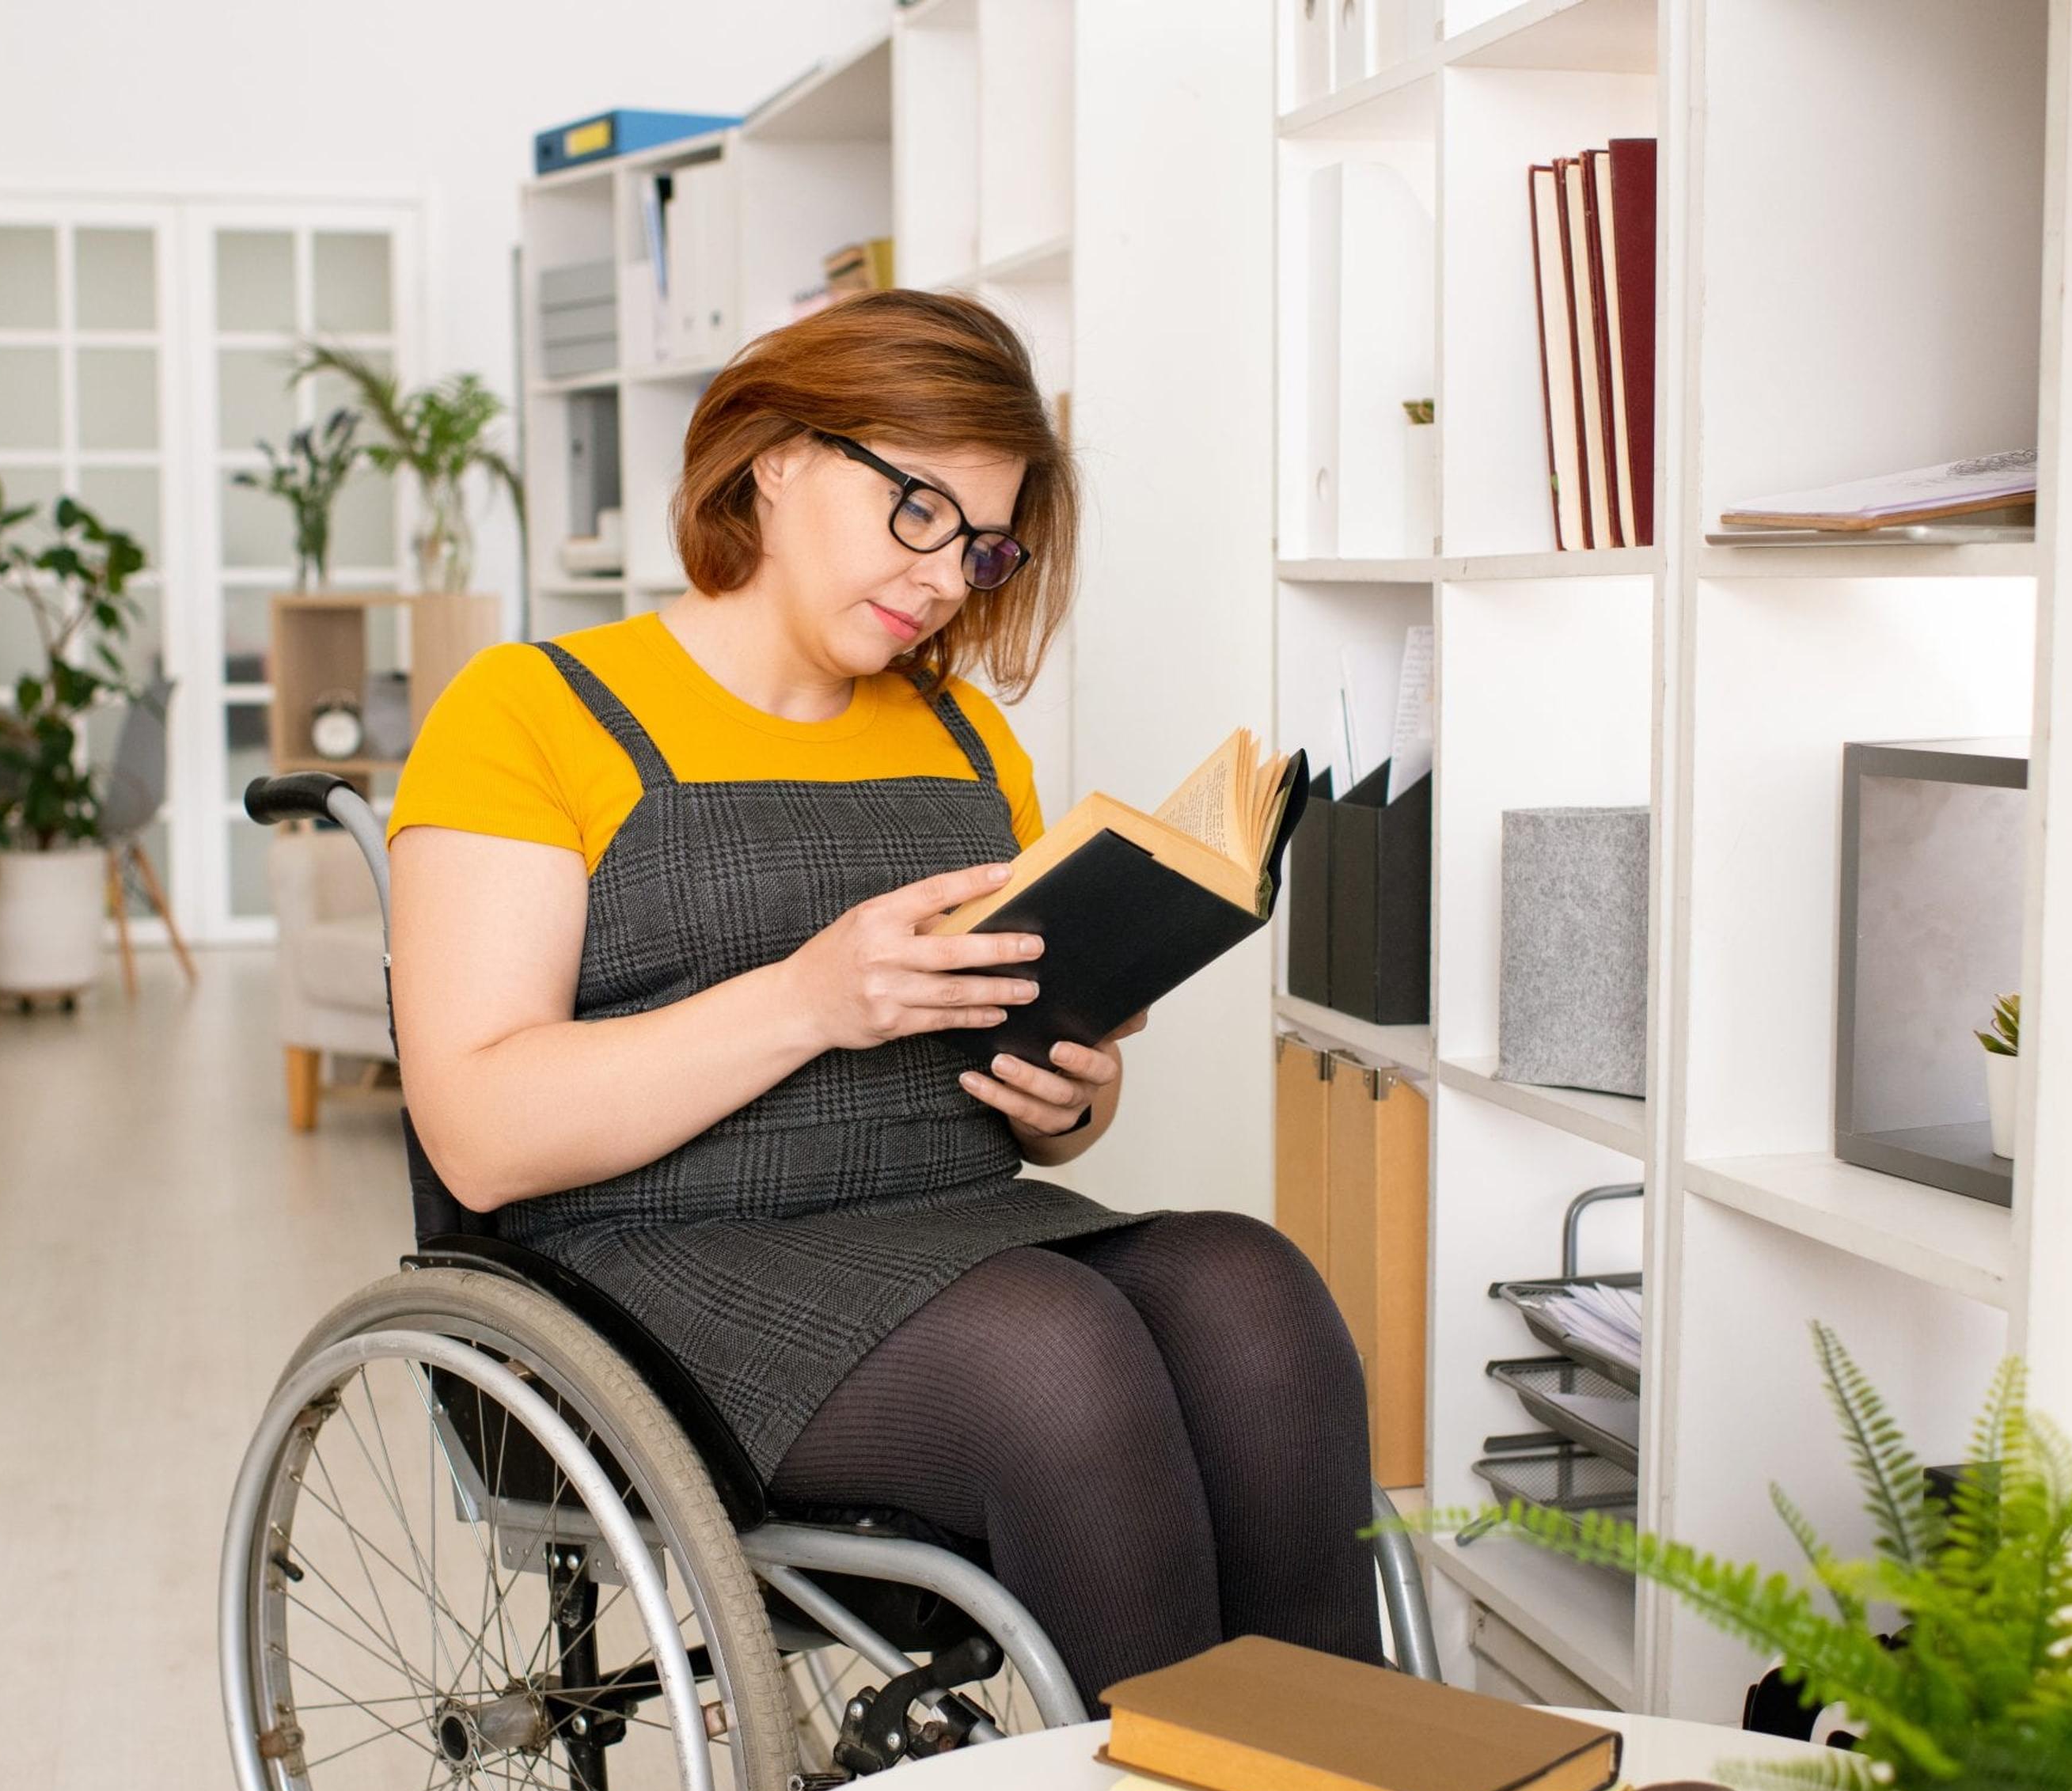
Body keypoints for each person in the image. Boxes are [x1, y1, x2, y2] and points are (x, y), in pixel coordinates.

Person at [386, 289, 1382, 1709]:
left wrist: (1073, 1091)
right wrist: (805, 999)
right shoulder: (530, 711)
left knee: (1254, 1293)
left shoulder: (967, 736)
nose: (944, 577)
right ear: (777, 457)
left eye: (979, 543)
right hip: (647, 1259)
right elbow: (480, 1130)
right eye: (916, 510)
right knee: (1055, 1354)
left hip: (959, 1227)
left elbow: (1038, 1127)